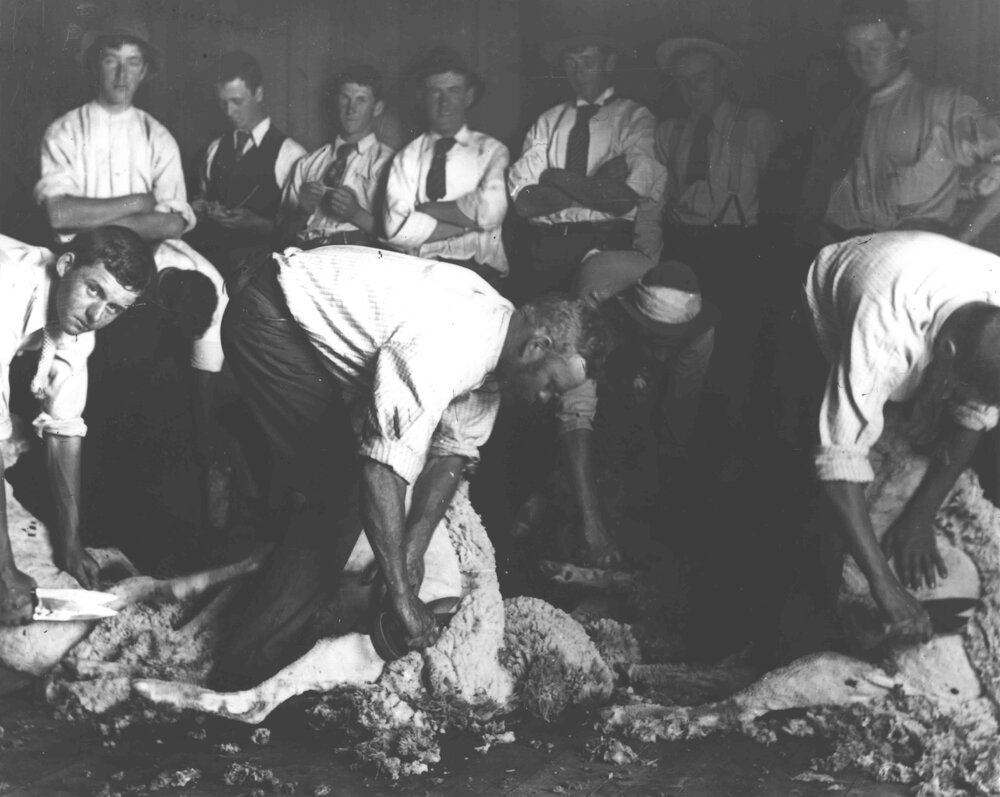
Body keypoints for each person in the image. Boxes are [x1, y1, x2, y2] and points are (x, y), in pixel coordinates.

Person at [215, 244, 612, 683]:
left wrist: (413, 548)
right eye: (552, 386)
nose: (545, 401)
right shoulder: (452, 346)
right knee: (341, 493)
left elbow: (452, 453)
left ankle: (286, 623)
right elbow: (379, 470)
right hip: (271, 318)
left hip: (300, 330)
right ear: (537, 346)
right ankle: (244, 672)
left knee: (340, 485)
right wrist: (403, 596)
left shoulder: (495, 347)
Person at [34, 15, 228, 461]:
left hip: (154, 249)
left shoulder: (156, 135)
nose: (122, 75)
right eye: (111, 61)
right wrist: (138, 201)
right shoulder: (65, 130)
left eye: (133, 63)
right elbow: (61, 214)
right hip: (82, 254)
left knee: (211, 289)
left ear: (145, 70)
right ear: (94, 66)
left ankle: (206, 437)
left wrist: (105, 217)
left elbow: (174, 222)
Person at [803, 230, 1000, 644]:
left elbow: (977, 412)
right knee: (805, 499)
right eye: (958, 388)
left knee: (942, 417)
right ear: (945, 354)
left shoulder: (990, 317)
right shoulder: (885, 333)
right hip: (828, 297)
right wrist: (885, 587)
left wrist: (920, 516)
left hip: (927, 286)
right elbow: (837, 462)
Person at [0, 226, 156, 625]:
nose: (96, 315)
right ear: (67, 264)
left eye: (115, 308)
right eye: (94, 290)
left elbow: (65, 429)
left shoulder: (79, 325)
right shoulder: (9, 288)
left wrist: (71, 543)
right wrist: (4, 573)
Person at [649, 36, 781, 424]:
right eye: (683, 81)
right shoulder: (669, 133)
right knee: (682, 349)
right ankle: (680, 440)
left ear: (723, 77)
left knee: (733, 349)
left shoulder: (758, 125)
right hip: (684, 247)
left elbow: (779, 199)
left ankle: (726, 437)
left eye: (701, 78)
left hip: (736, 249)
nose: (692, 90)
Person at [798, 0, 1000, 246]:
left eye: (874, 48)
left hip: (909, 263)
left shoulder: (942, 105)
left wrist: (960, 238)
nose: (863, 61)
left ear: (902, 38)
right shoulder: (840, 112)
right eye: (853, 50)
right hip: (840, 258)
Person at [507, 31, 664, 302]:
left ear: (610, 62)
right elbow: (525, 203)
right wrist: (596, 182)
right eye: (570, 62)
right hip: (549, 249)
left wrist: (554, 176)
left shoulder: (635, 118)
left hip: (607, 248)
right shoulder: (547, 121)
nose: (578, 71)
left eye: (587, 60)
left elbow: (623, 200)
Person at [382, 47, 509, 287]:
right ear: (421, 98)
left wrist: (425, 209)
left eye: (454, 91)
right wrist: (467, 226)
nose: (444, 103)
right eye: (435, 92)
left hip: (478, 275)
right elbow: (396, 229)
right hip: (421, 276)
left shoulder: (492, 150)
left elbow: (490, 211)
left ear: (468, 96)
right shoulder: (406, 158)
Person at [187, 50, 306, 270]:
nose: (230, 112)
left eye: (237, 102)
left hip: (262, 272)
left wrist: (256, 224)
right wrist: (202, 208)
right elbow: (203, 199)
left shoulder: (291, 155)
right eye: (223, 103)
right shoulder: (214, 149)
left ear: (259, 93)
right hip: (211, 266)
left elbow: (298, 232)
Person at [280, 64, 393, 250]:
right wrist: (302, 211)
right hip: (306, 256)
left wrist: (356, 214)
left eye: (361, 100)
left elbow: (401, 238)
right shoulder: (308, 163)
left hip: (357, 259)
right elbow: (280, 235)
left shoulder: (388, 164)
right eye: (345, 98)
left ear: (377, 107)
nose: (351, 109)